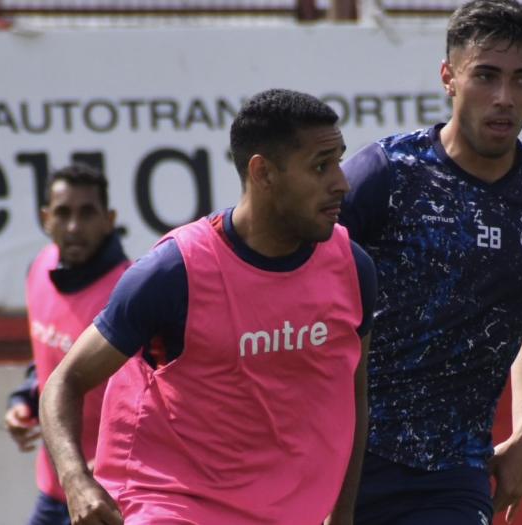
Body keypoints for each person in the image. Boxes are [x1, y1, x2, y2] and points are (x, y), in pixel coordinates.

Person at [39, 88, 377, 525]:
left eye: (338, 161)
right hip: (168, 504)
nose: (341, 182)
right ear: (264, 173)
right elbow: (62, 382)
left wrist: (343, 514)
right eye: (320, 166)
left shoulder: (352, 268)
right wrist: (76, 480)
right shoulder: (172, 272)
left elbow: (355, 393)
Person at [339, 1, 522, 524]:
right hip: (338, 457)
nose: (505, 98)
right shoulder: (384, 173)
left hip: (455, 476)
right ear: (449, 78)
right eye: (486, 76)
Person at [4, 163, 131, 525]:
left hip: (108, 495)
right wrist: (25, 399)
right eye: (63, 213)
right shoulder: (39, 269)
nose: (74, 226)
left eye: (87, 213)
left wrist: (114, 460)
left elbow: (157, 397)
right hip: (54, 488)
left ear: (109, 219)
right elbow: (48, 360)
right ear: (46, 218)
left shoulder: (130, 293)